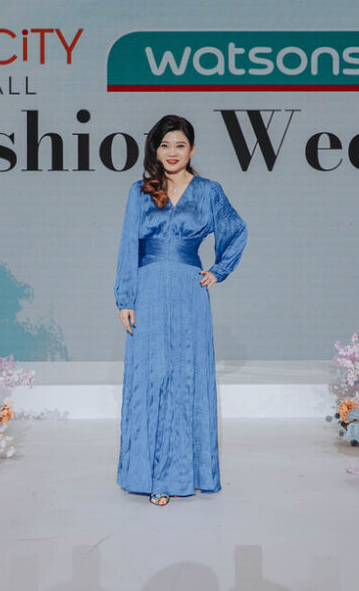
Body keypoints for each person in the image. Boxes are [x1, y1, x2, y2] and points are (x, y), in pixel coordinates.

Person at [114, 114, 248, 506]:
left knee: (186, 376)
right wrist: (125, 298)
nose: (172, 153)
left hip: (190, 293)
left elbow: (236, 230)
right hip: (149, 291)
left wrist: (219, 270)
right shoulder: (140, 191)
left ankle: (184, 474)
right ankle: (152, 475)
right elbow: (128, 244)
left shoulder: (208, 191)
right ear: (155, 150)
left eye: (180, 145)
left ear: (192, 149)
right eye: (164, 145)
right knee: (154, 376)